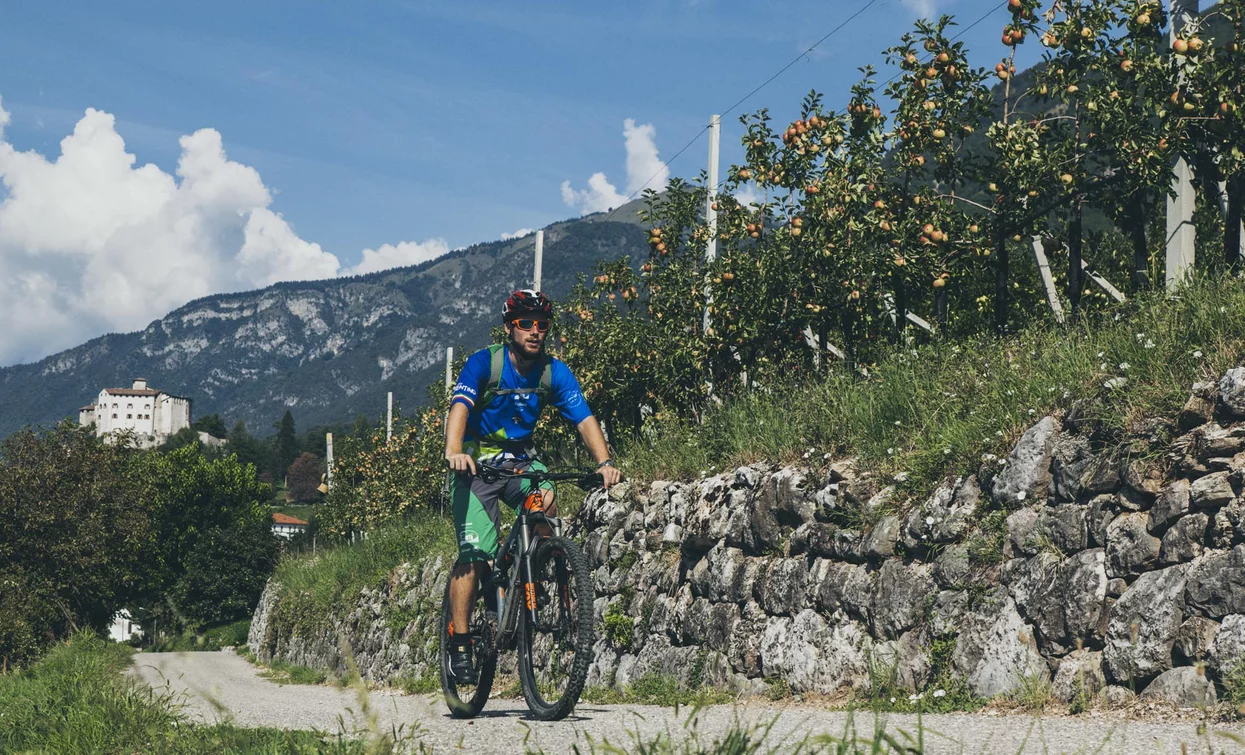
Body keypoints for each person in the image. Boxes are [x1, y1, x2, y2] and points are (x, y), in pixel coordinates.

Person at [444, 289, 621, 685]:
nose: (535, 331)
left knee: (547, 501)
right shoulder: (484, 364)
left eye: (542, 325)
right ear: (510, 328)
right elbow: (460, 408)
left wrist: (605, 463)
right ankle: (459, 640)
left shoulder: (553, 372)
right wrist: (454, 450)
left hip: (520, 461)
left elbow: (583, 417)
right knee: (474, 555)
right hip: (476, 466)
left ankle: (538, 567)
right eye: (526, 324)